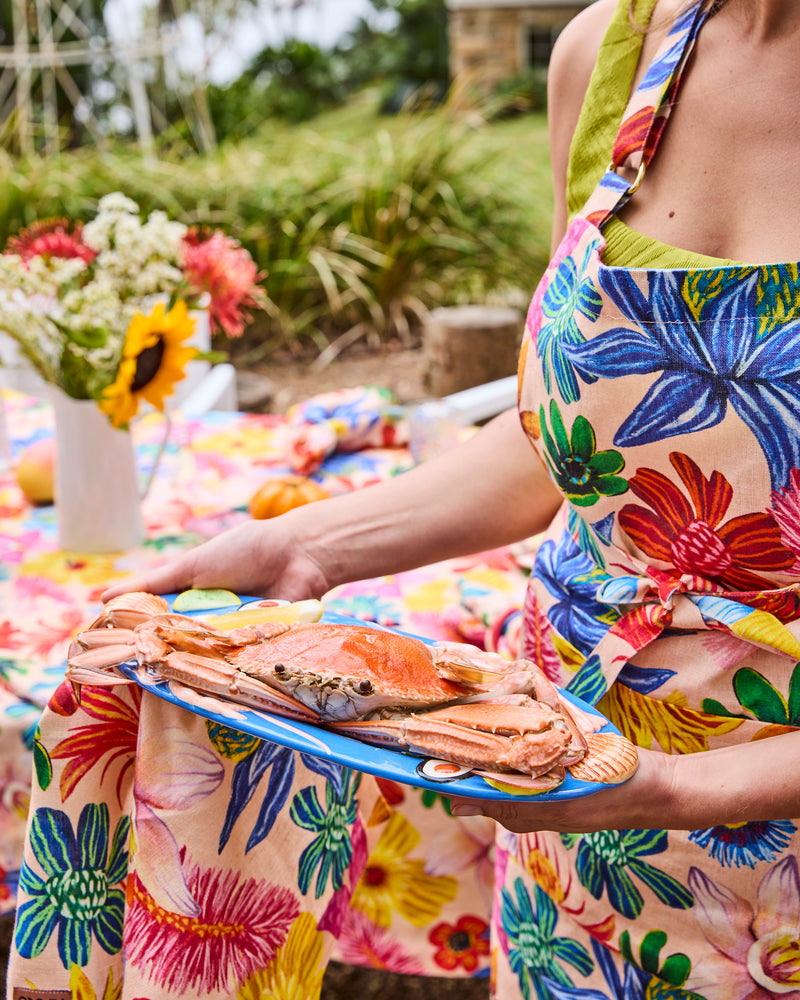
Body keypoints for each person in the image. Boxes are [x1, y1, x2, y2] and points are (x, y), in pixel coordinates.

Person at [94, 0, 800, 995]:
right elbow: (562, 439)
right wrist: (308, 546)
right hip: (572, 838)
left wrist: (680, 784)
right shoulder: (610, 54)